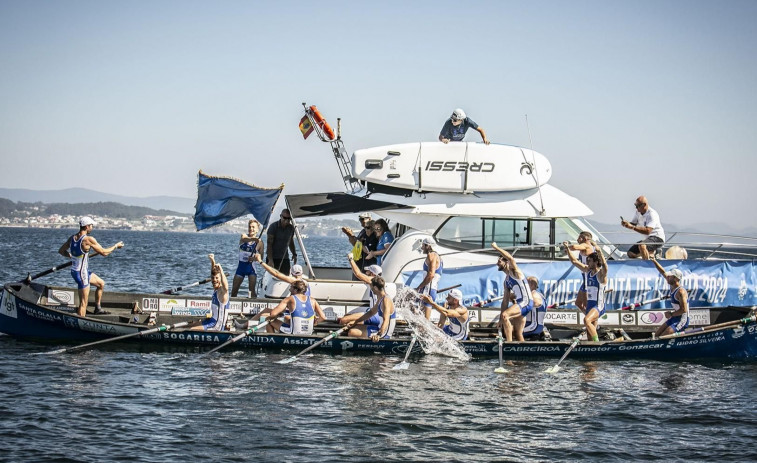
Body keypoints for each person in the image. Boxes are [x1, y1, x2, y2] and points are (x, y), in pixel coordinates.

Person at [58, 216, 124, 317]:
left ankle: (97, 308)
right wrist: (115, 246)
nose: (92, 227)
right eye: (91, 225)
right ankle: (80, 322)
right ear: (86, 226)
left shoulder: (72, 238)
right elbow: (104, 253)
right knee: (83, 304)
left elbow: (61, 251)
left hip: (76, 271)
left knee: (101, 284)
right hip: (82, 274)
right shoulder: (88, 240)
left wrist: (71, 256)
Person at [566, 243, 608, 342]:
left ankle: (597, 344)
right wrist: (567, 249)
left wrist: (599, 251)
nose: (587, 263)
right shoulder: (587, 271)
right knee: (590, 336)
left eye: (590, 261)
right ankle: (592, 345)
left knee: (586, 320)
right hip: (590, 305)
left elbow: (605, 266)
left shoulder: (600, 275)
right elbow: (574, 261)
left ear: (596, 262)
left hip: (598, 306)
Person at [492, 243, 533, 342]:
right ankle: (523, 350)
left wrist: (496, 247)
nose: (497, 263)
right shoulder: (506, 282)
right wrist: (501, 320)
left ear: (506, 262)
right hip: (520, 304)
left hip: (526, 302)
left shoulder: (515, 272)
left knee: (506, 315)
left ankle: (509, 343)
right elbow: (505, 302)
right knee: (518, 333)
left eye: (499, 261)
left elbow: (511, 258)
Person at [342, 276, 396, 341]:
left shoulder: (386, 300)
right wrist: (356, 322)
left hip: (384, 333)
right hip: (379, 328)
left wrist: (378, 335)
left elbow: (386, 320)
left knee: (352, 332)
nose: (371, 289)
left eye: (371, 287)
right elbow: (371, 312)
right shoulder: (381, 298)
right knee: (355, 326)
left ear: (375, 288)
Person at [650, 256, 689, 337]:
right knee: (656, 336)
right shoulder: (672, 285)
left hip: (682, 320)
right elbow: (663, 272)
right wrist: (654, 261)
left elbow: (684, 310)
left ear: (675, 278)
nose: (667, 277)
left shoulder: (681, 292)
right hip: (674, 317)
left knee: (663, 337)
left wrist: (671, 314)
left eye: (669, 276)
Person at [191, 254, 229, 331]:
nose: (214, 280)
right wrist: (213, 262)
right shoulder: (216, 289)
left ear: (221, 279)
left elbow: (226, 287)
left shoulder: (223, 292)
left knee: (191, 329)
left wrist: (221, 269)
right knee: (191, 325)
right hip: (210, 321)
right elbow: (213, 273)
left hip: (216, 326)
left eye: (217, 278)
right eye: (213, 278)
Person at [231, 219, 264, 298]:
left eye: (253, 227)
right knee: (234, 291)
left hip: (251, 269)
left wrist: (254, 259)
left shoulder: (260, 243)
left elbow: (261, 257)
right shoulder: (244, 236)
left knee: (251, 292)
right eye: (250, 227)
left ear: (257, 230)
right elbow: (244, 239)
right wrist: (254, 239)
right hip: (241, 268)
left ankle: (253, 308)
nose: (251, 229)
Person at [564, 231, 595, 313]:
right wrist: (568, 250)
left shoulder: (586, 245)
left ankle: (592, 324)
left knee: (586, 305)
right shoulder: (586, 246)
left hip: (588, 277)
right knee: (578, 303)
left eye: (579, 238)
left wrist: (567, 247)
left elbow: (574, 247)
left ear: (585, 239)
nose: (577, 239)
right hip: (584, 277)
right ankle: (589, 320)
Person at [341, 212, 378, 277]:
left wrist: (352, 235)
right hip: (359, 264)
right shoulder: (363, 232)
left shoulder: (373, 235)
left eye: (362, 219)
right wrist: (349, 235)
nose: (361, 221)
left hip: (367, 266)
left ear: (369, 219)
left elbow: (367, 250)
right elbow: (356, 244)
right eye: (360, 219)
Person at [416, 237, 443, 319]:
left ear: (427, 246)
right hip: (431, 290)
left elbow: (431, 275)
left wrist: (420, 286)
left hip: (427, 291)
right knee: (420, 319)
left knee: (424, 322)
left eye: (423, 245)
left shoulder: (432, 255)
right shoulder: (438, 256)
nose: (421, 247)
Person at [267, 208, 297, 275]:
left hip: (284, 258)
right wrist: (270, 260)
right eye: (284, 218)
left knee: (285, 277)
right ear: (280, 216)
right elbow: (269, 244)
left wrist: (294, 254)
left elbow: (290, 242)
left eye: (289, 218)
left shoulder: (291, 228)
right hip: (273, 257)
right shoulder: (273, 227)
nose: (286, 220)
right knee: (271, 278)